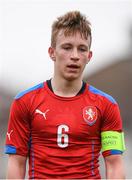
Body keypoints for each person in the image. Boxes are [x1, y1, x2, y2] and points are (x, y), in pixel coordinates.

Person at [5, 11, 126, 179]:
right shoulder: (24, 102)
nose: (75, 56)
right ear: (52, 52)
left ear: (89, 56)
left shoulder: (106, 105)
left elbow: (114, 163)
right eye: (67, 47)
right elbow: (16, 162)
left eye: (82, 49)